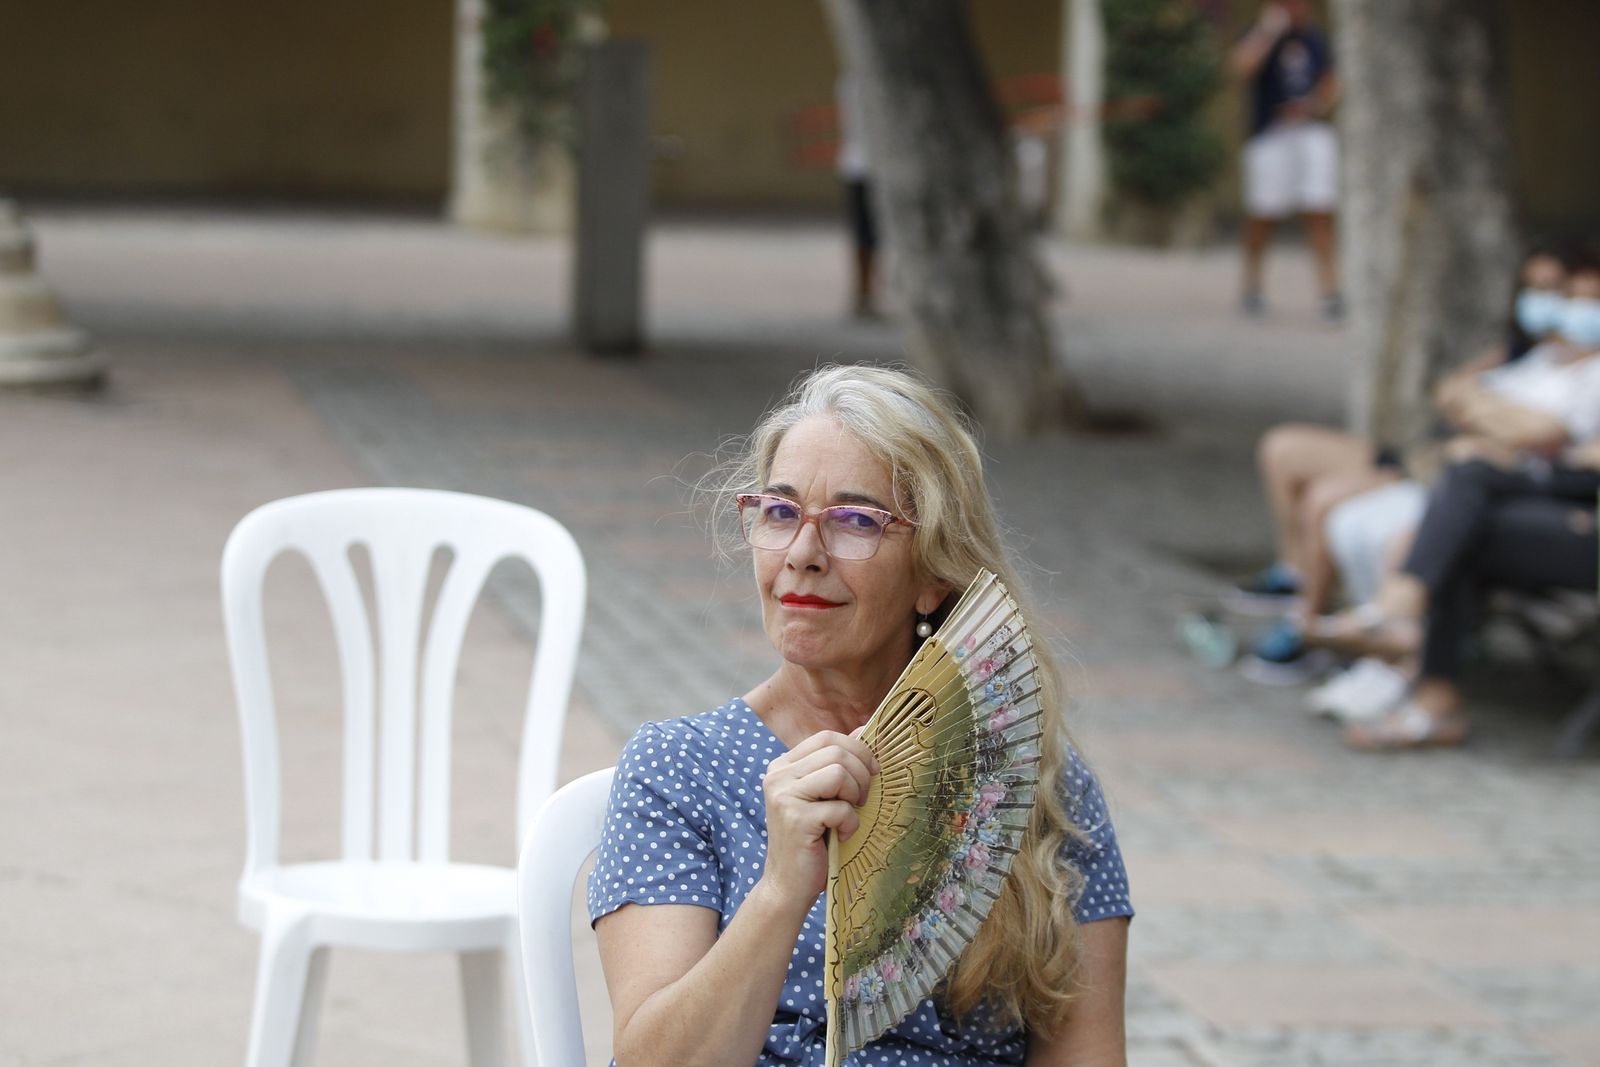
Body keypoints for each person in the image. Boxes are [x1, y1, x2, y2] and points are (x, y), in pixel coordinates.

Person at [587, 365, 1133, 1065]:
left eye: (854, 521)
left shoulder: (1036, 783)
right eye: (780, 513)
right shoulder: (680, 770)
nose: (804, 555)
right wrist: (782, 891)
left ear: (935, 571)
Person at [1236, 250, 1572, 684]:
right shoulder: (1520, 352)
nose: (1544, 301)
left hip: (1459, 472)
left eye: (1557, 290)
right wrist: (1488, 412)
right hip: (1430, 455)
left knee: (1329, 498)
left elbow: (1544, 432)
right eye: (1534, 288)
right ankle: (1297, 583)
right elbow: (1450, 394)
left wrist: (1483, 411)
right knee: (1285, 448)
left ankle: (1315, 626)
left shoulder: (1579, 372)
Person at [1229, 0, 1343, 320]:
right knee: (1263, 213)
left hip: (1310, 132)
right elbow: (1242, 66)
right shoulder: (1259, 34)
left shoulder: (1314, 39)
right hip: (1269, 134)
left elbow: (1332, 82)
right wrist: (1269, 31)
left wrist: (1315, 106)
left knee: (1320, 208)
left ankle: (1330, 290)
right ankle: (1252, 286)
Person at [836, 75, 881, 319]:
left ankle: (865, 294)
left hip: (859, 165)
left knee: (866, 237)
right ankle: (864, 294)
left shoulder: (850, 81)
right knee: (868, 236)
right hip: (869, 167)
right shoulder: (862, 82)